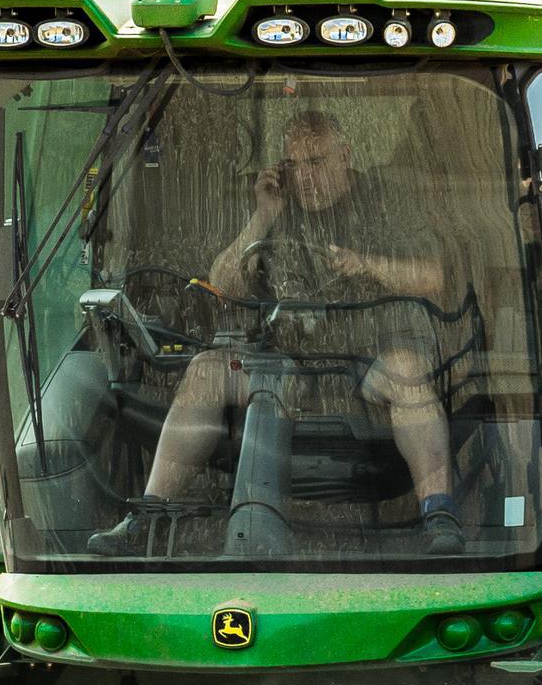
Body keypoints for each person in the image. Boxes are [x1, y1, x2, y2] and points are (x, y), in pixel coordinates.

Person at [122, 104, 459, 534]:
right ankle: (150, 515)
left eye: (316, 162)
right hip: (289, 365)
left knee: (408, 369)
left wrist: (365, 264)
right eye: (293, 165)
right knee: (207, 370)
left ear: (346, 155)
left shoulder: (386, 200)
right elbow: (223, 283)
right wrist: (264, 214)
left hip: (369, 361)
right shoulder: (278, 209)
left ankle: (439, 513)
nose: (303, 176)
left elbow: (433, 277)